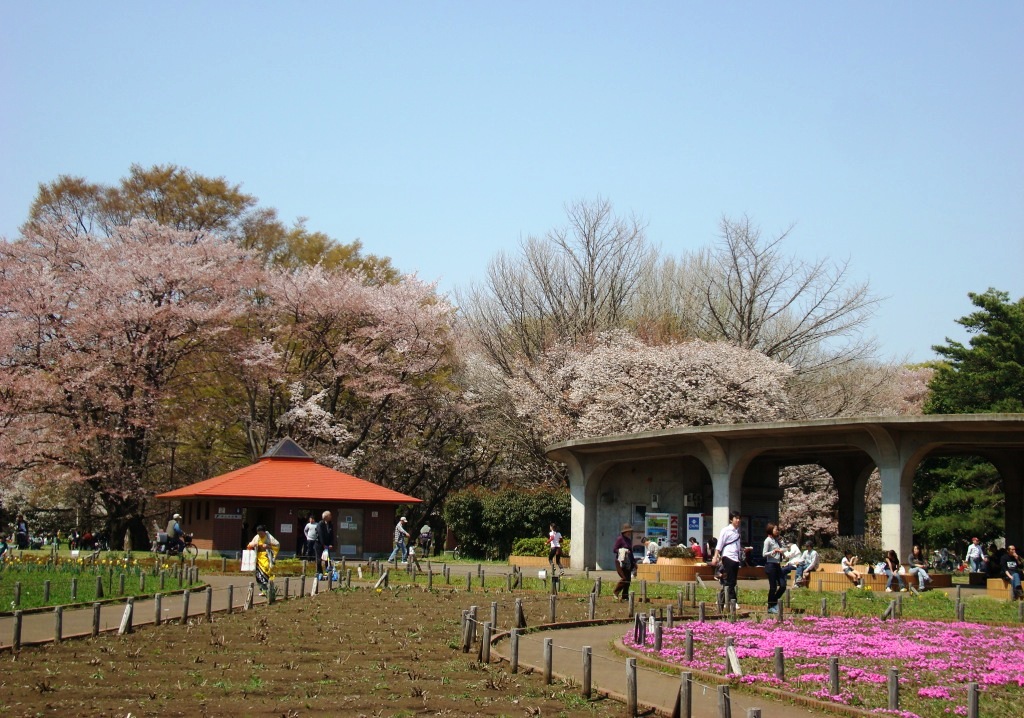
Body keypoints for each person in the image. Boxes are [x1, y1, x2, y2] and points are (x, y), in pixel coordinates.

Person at [711, 511, 743, 606]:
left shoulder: (737, 531)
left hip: (736, 558)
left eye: (739, 518)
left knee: (732, 580)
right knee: (731, 580)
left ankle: (722, 600)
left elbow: (736, 545)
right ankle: (733, 601)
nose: (738, 520)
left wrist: (742, 550)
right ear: (731, 519)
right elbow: (719, 544)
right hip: (728, 556)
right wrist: (715, 557)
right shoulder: (725, 530)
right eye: (736, 518)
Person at [246, 525, 280, 596]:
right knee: (259, 575)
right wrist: (253, 545)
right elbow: (249, 545)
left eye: (261, 533)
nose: (260, 535)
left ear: (264, 532)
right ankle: (263, 590)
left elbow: (277, 545)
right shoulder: (256, 537)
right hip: (259, 558)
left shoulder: (269, 537)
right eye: (259, 533)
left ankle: (270, 589)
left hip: (267, 557)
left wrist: (268, 546)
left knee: (268, 572)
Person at [762, 523, 786, 613]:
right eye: (775, 529)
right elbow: (764, 554)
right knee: (773, 587)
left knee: (783, 585)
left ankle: (774, 602)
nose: (777, 531)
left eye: (777, 529)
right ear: (771, 530)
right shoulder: (767, 540)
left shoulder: (776, 540)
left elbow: (780, 550)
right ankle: (770, 606)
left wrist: (782, 553)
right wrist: (773, 551)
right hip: (770, 565)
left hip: (777, 564)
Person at [613, 523, 637, 601]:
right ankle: (615, 592)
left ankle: (625, 596)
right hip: (620, 562)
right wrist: (623, 550)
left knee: (628, 580)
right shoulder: (620, 539)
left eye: (630, 531)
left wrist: (634, 562)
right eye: (628, 531)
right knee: (624, 578)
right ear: (624, 532)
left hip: (628, 562)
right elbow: (614, 549)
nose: (629, 533)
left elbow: (631, 552)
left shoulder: (629, 540)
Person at [313, 511, 334, 578]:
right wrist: (323, 544)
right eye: (330, 515)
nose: (331, 516)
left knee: (327, 559)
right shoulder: (320, 524)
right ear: (326, 517)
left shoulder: (330, 524)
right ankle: (319, 573)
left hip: (327, 544)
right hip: (319, 544)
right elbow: (320, 535)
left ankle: (328, 572)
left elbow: (331, 534)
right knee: (319, 559)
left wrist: (331, 544)